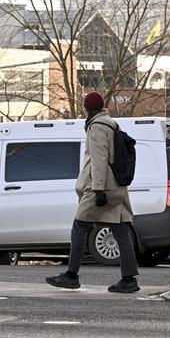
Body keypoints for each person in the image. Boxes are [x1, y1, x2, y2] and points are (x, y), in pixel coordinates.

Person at [47, 91, 140, 293]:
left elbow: (99, 160)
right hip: (117, 185)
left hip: (101, 186)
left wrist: (98, 190)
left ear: (87, 108)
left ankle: (71, 276)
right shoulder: (112, 124)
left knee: (79, 227)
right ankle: (129, 279)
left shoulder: (97, 127)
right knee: (121, 230)